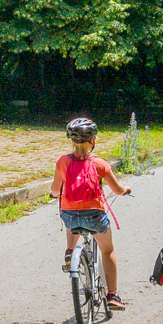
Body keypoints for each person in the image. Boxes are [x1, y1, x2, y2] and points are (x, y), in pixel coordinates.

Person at [50, 116, 133, 312]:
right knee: (107, 250)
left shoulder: (62, 162)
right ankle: (112, 295)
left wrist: (54, 194)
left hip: (70, 214)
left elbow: (55, 189)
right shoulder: (99, 164)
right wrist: (125, 190)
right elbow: (118, 189)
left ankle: (71, 251)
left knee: (71, 217)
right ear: (92, 140)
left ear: (72, 141)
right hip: (95, 216)